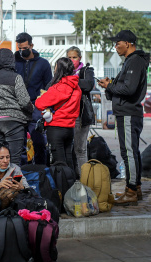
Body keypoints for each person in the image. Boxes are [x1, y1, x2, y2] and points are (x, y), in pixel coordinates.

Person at [98, 30, 149, 205]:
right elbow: (125, 87)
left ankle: (132, 190)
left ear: (127, 43)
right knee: (131, 152)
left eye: (118, 43)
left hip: (128, 113)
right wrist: (110, 86)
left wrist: (110, 85)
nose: (116, 46)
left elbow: (129, 89)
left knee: (128, 152)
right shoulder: (131, 61)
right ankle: (135, 188)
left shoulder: (135, 61)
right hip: (126, 112)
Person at [0, 48, 34, 165]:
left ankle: (0, 182)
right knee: (13, 158)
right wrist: (31, 109)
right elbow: (24, 101)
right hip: (13, 122)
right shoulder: (15, 77)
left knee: (0, 158)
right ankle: (13, 182)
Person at [35, 57, 81, 170]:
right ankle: (71, 185)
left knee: (58, 163)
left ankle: (61, 186)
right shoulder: (77, 87)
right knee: (68, 159)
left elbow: (39, 103)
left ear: (59, 69)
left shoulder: (58, 87)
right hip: (70, 128)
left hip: (56, 128)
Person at [14, 32, 53, 165]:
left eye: (24, 48)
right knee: (19, 143)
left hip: (37, 108)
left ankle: (41, 171)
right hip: (18, 108)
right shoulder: (14, 63)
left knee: (39, 142)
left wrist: (48, 109)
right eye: (19, 48)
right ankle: (23, 173)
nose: (22, 51)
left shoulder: (43, 63)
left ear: (31, 45)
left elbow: (49, 86)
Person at [66, 46, 95, 176]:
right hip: (66, 115)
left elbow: (88, 85)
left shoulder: (86, 70)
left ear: (80, 58)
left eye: (74, 57)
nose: (72, 60)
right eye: (69, 58)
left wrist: (69, 81)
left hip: (81, 115)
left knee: (80, 149)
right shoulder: (63, 71)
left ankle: (85, 178)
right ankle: (71, 177)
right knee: (68, 149)